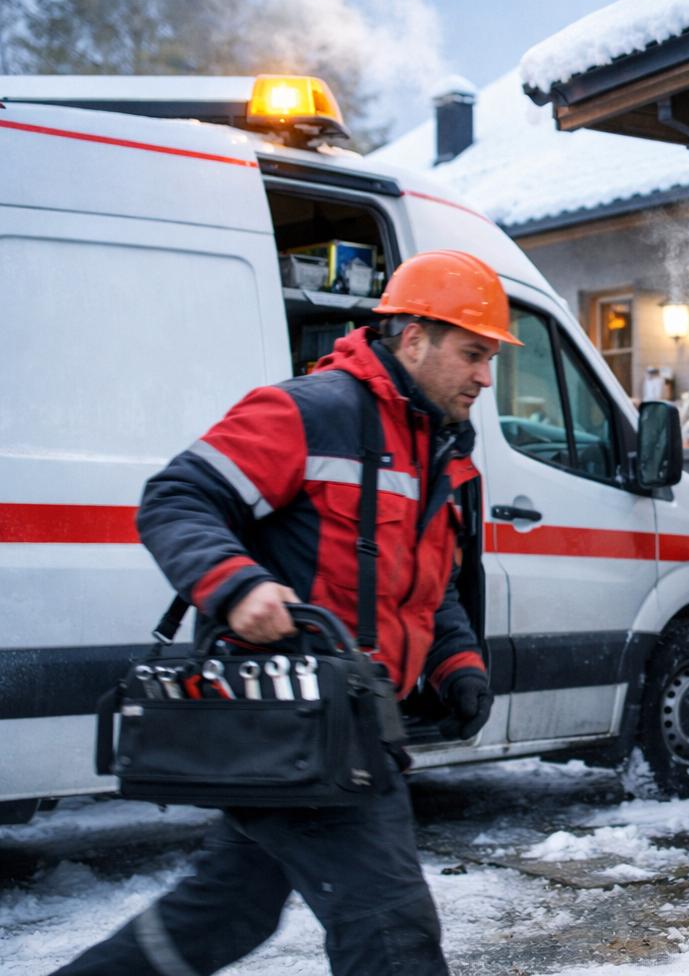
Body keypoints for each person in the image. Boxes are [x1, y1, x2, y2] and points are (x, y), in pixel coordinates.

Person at [56, 249, 521, 975]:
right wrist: (237, 586)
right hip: (295, 721)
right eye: (472, 354)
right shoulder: (310, 412)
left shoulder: (440, 452)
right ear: (412, 338)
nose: (484, 378)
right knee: (392, 932)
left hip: (344, 728)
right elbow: (176, 498)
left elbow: (430, 590)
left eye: (489, 358)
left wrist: (456, 662)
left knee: (225, 911)